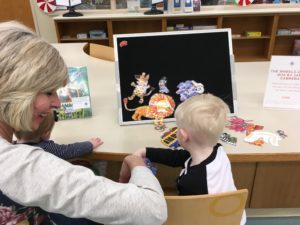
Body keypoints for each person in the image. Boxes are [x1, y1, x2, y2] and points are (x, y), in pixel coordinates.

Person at [0, 21, 167, 225]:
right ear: (13, 90)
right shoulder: (18, 166)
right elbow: (153, 210)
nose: (57, 103)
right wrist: (136, 162)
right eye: (48, 92)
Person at [128, 93, 246, 225]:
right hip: (233, 216)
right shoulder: (217, 150)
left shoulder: (192, 182)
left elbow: (187, 212)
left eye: (178, 128)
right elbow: (178, 157)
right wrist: (146, 151)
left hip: (208, 219)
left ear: (183, 136)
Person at [15, 112, 103, 160]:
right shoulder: (45, 148)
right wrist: (90, 144)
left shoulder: (12, 146)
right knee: (99, 164)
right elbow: (69, 150)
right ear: (46, 133)